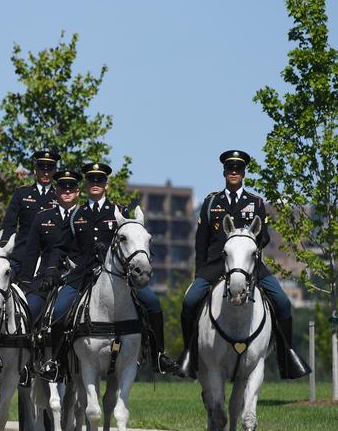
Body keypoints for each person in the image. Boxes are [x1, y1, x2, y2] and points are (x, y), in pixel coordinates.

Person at [177, 150, 311, 380]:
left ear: (243, 173)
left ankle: (287, 356)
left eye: (238, 169)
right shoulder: (211, 202)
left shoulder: (256, 202)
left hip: (249, 266)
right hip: (216, 265)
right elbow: (201, 240)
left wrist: (250, 242)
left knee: (282, 302)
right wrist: (199, 273)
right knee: (190, 301)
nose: (234, 173)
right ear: (224, 172)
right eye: (230, 169)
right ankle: (190, 354)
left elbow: (265, 236)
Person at [50, 163, 177, 374]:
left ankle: (158, 356)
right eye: (91, 180)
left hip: (119, 276)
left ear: (106, 184)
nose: (95, 184)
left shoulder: (119, 212)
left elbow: (134, 240)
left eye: (99, 180)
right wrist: (52, 270)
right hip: (83, 275)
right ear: (86, 184)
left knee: (153, 303)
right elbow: (61, 247)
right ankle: (55, 363)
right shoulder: (76, 214)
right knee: (59, 310)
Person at [17, 169, 81, 378]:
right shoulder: (43, 217)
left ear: (78, 191)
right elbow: (31, 252)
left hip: (77, 277)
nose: (67, 191)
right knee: (28, 312)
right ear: (56, 191)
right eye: (63, 187)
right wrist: (26, 283)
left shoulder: (85, 217)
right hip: (45, 277)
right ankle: (25, 363)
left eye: (71, 187)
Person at [0, 150, 60, 277]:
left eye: (49, 170)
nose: (45, 173)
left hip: (48, 258)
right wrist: (5, 249)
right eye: (42, 169)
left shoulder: (60, 197)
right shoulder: (21, 193)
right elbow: (9, 224)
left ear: (54, 172)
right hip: (21, 255)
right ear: (35, 170)